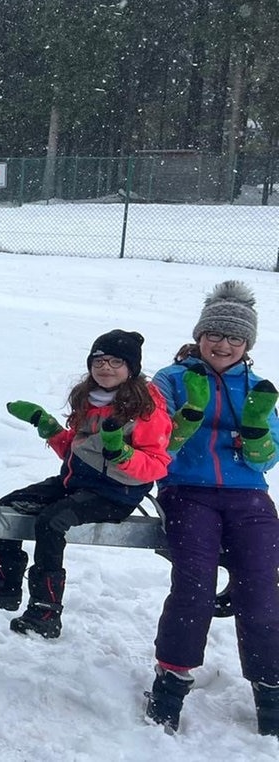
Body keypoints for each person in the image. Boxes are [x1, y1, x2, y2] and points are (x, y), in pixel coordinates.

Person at [0, 330, 172, 639]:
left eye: (116, 362)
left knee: (51, 521)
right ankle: (3, 584)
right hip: (75, 483)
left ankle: (46, 611)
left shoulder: (145, 409)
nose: (106, 368)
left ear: (132, 369)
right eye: (99, 361)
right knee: (7, 506)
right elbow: (79, 450)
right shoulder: (89, 399)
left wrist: (122, 454)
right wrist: (46, 425)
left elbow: (157, 464)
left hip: (116, 493)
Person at [143, 280, 279, 736]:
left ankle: (270, 687)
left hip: (249, 497)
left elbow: (270, 455)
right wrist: (187, 424)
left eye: (234, 338)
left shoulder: (259, 387)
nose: (223, 345)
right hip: (188, 491)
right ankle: (171, 679)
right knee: (194, 587)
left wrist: (258, 439)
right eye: (215, 335)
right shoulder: (172, 378)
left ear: (247, 345)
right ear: (200, 336)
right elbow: (154, 435)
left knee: (262, 592)